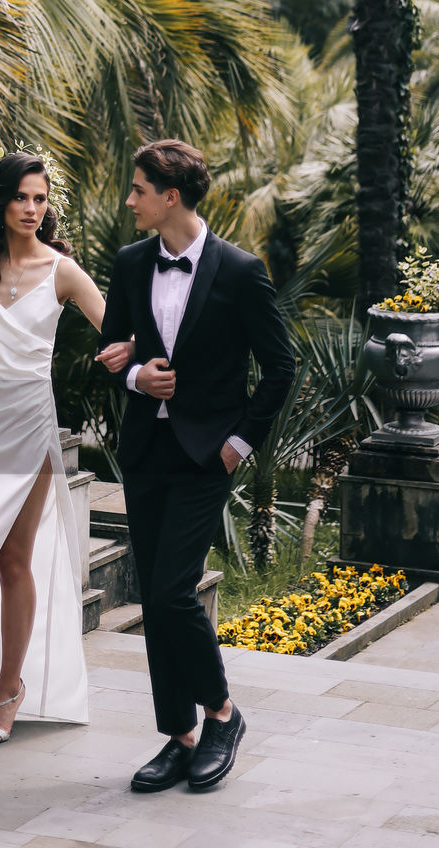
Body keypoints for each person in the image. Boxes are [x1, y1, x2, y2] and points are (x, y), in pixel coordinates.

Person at [0, 152, 133, 746]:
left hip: (27, 428)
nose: (32, 209)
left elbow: (118, 325)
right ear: (1, 202)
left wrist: (129, 355)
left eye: (40, 199)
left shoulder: (63, 270)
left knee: (11, 561)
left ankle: (8, 690)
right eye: (21, 198)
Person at [97, 139, 294, 791]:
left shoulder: (239, 271)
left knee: (174, 589)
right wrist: (136, 382)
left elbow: (281, 366)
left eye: (138, 190)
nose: (129, 200)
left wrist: (239, 443)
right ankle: (179, 736)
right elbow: (112, 351)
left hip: (205, 456)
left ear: (170, 196)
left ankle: (223, 713)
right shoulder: (129, 264)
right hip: (145, 452)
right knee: (154, 595)